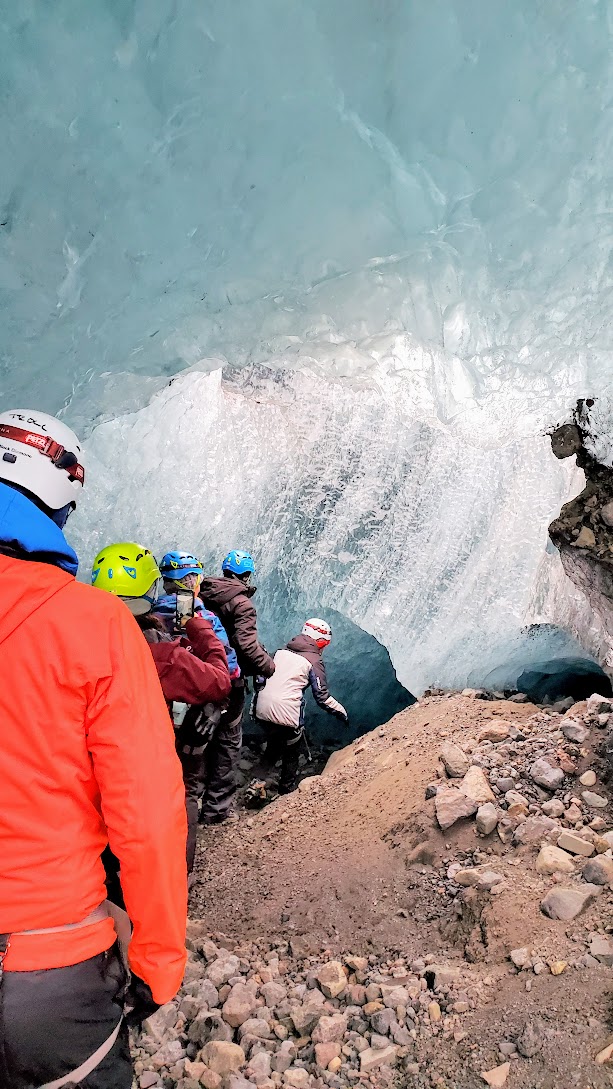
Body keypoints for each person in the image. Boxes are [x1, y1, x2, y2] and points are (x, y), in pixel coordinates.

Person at [0, 410, 187, 1089]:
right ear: (60, 501)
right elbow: (146, 816)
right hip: (51, 970)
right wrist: (158, 963)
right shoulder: (96, 623)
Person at [91, 543, 231, 876]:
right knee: (183, 794)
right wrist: (198, 631)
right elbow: (218, 682)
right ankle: (174, 878)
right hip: (144, 760)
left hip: (91, 763)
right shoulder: (164, 655)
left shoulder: (79, 637)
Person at [198, 549, 275, 823]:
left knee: (198, 738)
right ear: (247, 575)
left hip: (202, 674)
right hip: (230, 680)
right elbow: (245, 645)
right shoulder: (242, 603)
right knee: (228, 741)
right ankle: (216, 811)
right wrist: (268, 666)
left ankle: (189, 798)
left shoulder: (203, 594)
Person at [253, 618, 348, 794]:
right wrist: (343, 714)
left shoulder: (280, 651)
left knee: (274, 745)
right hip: (286, 714)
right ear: (319, 641)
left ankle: (256, 781)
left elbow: (260, 677)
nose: (323, 648)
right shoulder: (314, 661)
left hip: (261, 708)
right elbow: (322, 697)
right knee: (292, 750)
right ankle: (286, 792)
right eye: (324, 644)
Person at [153, 550, 240, 679]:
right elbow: (228, 663)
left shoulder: (153, 612)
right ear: (192, 582)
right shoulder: (204, 617)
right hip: (202, 685)